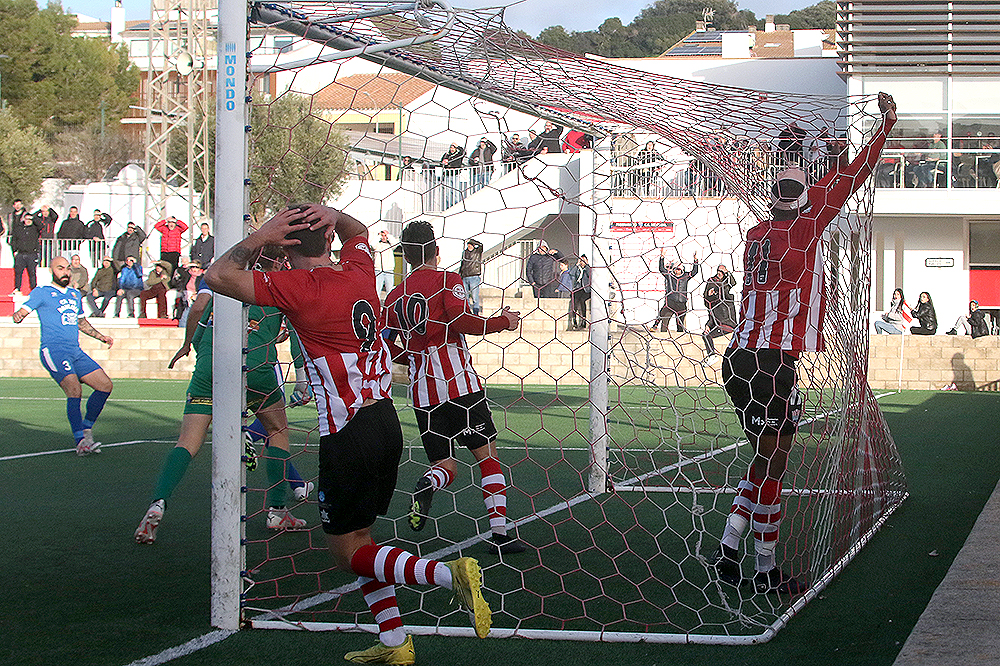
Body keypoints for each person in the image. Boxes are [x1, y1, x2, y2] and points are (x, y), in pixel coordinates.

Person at [204, 204, 493, 662]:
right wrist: (331, 214)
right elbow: (358, 230)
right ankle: (395, 643)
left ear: (287, 245)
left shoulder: (295, 286)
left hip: (347, 433)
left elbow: (217, 276)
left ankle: (446, 574)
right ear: (331, 238)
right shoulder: (359, 268)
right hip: (384, 423)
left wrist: (262, 236)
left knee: (345, 553)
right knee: (363, 540)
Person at [710, 92, 897, 595]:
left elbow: (816, 188)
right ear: (803, 200)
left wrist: (798, 157)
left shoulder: (756, 233)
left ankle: (729, 549)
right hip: (772, 362)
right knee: (774, 464)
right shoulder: (808, 226)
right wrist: (884, 127)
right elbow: (854, 175)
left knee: (765, 459)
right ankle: (765, 567)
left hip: (738, 359)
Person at [384, 219, 525, 555]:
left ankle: (427, 483)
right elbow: (461, 321)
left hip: (421, 391)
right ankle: (500, 534)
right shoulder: (448, 279)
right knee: (487, 458)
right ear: (436, 250)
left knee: (445, 465)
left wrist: (414, 357)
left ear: (406, 255)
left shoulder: (394, 295)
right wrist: (503, 322)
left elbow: (386, 345)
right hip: (458, 386)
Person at [134, 285, 310, 544]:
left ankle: (158, 503)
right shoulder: (278, 282)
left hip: (210, 366)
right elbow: (297, 333)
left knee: (188, 442)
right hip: (255, 367)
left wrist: (189, 345)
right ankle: (277, 511)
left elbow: (199, 310)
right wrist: (302, 378)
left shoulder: (224, 274)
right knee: (277, 430)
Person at [12, 255, 114, 455]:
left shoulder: (74, 294)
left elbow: (81, 322)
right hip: (53, 350)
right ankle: (81, 442)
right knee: (74, 389)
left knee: (105, 385)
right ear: (52, 271)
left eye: (67, 268)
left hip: (75, 351)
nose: (65, 272)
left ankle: (86, 429)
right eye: (60, 268)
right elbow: (23, 311)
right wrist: (19, 315)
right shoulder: (42, 292)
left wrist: (101, 337)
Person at [656, 249, 699, 333]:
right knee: (665, 322)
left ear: (682, 270)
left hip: (681, 303)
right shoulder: (670, 276)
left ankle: (679, 341)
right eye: (676, 269)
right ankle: (662, 337)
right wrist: (662, 257)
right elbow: (661, 269)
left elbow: (695, 271)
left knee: (680, 325)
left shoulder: (686, 276)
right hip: (671, 302)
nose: (677, 271)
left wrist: (695, 260)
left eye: (679, 269)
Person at [701, 264, 737, 363]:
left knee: (707, 336)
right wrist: (708, 325)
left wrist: (727, 273)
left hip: (726, 323)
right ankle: (711, 355)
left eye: (722, 272)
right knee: (705, 334)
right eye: (718, 271)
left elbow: (732, 283)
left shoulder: (726, 296)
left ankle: (712, 356)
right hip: (717, 321)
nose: (719, 273)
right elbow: (712, 310)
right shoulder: (711, 283)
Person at [10, 204, 44, 294]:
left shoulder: (35, 228)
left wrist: (33, 217)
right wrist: (14, 250)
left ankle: (33, 289)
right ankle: (17, 289)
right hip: (20, 254)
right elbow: (14, 240)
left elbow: (41, 226)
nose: (28, 221)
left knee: (32, 273)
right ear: (24, 220)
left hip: (31, 254)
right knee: (18, 273)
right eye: (27, 219)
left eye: (30, 220)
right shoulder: (19, 228)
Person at [459, 238, 484, 315]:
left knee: (474, 297)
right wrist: (460, 274)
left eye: (470, 245)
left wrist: (471, 240)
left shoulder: (477, 252)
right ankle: (468, 312)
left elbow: (481, 245)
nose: (469, 246)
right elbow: (462, 264)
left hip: (474, 276)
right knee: (465, 297)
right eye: (468, 245)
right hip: (465, 277)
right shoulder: (465, 253)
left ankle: (476, 313)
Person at [373, 228, 397, 297]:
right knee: (377, 289)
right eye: (382, 236)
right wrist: (379, 236)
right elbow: (372, 244)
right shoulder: (377, 245)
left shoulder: (390, 246)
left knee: (390, 290)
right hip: (378, 270)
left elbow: (395, 243)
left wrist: (388, 235)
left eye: (385, 236)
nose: (383, 237)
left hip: (389, 270)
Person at [570, 254, 591, 330]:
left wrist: (587, 265)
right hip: (578, 288)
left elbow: (590, 275)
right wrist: (576, 265)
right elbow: (571, 273)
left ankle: (583, 320)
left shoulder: (588, 269)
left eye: (583, 261)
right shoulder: (578, 269)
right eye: (581, 261)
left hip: (586, 289)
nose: (582, 262)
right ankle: (574, 320)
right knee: (574, 300)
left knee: (582, 300)